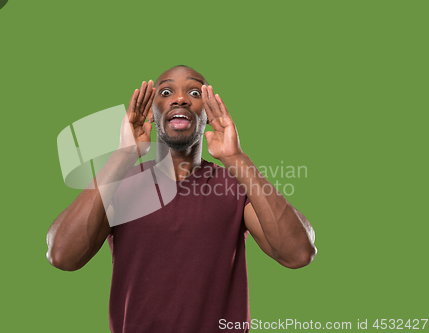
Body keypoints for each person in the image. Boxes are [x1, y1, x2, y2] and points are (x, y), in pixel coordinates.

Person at [46, 65, 317, 332]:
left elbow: (298, 253)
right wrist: (124, 154)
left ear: (208, 114)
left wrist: (236, 159)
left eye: (195, 93)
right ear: (152, 113)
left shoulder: (235, 186)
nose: (179, 98)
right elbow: (63, 256)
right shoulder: (119, 186)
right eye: (165, 92)